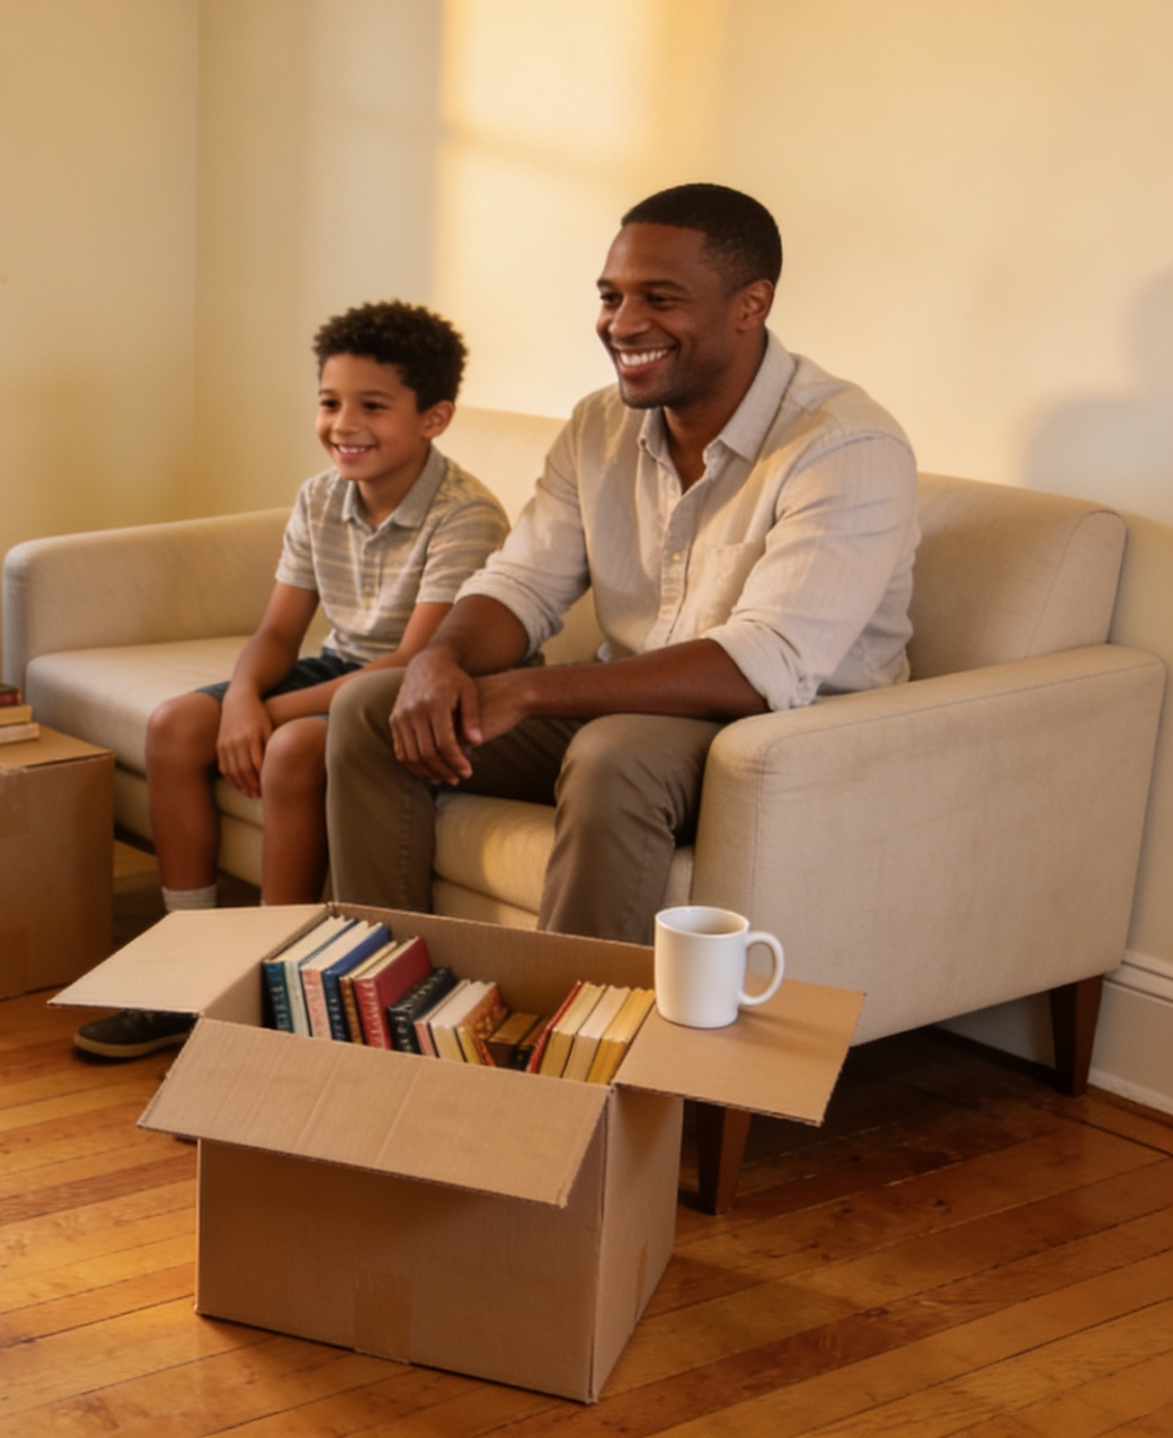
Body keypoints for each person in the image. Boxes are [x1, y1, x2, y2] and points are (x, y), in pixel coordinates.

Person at [325, 183, 919, 945]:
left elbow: (763, 664)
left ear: (751, 304)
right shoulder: (599, 424)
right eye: (611, 296)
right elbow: (523, 581)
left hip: (777, 735)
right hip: (628, 706)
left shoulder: (845, 445)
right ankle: (381, 984)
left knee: (614, 754)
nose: (623, 324)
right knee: (372, 707)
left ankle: (570, 1016)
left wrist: (529, 690)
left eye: (660, 299)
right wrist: (440, 658)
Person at [74, 301, 508, 1062]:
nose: (344, 424)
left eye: (373, 406)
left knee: (294, 748)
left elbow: (411, 663)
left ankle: (264, 982)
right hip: (343, 667)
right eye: (330, 402)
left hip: (415, 692)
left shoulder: (465, 515)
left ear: (434, 418)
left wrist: (269, 717)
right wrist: (243, 698)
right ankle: (188, 968)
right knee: (177, 725)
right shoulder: (318, 498)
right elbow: (278, 633)